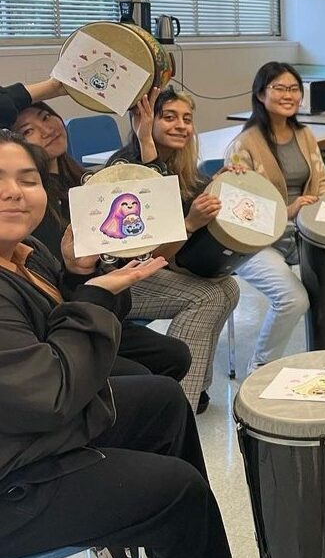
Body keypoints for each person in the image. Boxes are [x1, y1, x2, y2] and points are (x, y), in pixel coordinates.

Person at [0, 129, 233, 558]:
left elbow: (56, 330)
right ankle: (157, 518)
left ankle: (153, 532)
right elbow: (49, 394)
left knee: (163, 398)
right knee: (179, 489)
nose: (13, 193)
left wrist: (77, 275)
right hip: (15, 472)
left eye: (27, 179)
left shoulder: (26, 250)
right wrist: (96, 295)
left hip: (29, 428)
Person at [12, 99, 195, 393]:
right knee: (149, 382)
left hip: (101, 303)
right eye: (29, 130)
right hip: (64, 319)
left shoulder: (92, 183)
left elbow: (153, 205)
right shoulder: (29, 206)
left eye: (47, 117)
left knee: (174, 356)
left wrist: (145, 139)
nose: (46, 130)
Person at [106, 86, 241, 414]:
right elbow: (153, 249)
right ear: (146, 121)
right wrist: (190, 223)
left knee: (229, 288)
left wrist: (218, 183)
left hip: (149, 272)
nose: (181, 125)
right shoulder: (126, 167)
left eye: (187, 119)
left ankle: (198, 385)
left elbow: (187, 204)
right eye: (169, 117)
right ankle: (176, 404)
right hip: (118, 279)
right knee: (207, 297)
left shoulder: (180, 167)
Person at [226, 61, 325, 374]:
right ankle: (261, 366)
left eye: (294, 88)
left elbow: (319, 183)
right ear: (260, 94)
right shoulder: (244, 144)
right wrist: (287, 211)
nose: (288, 94)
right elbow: (240, 211)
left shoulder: (304, 135)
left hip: (301, 234)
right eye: (279, 88)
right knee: (294, 299)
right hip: (256, 243)